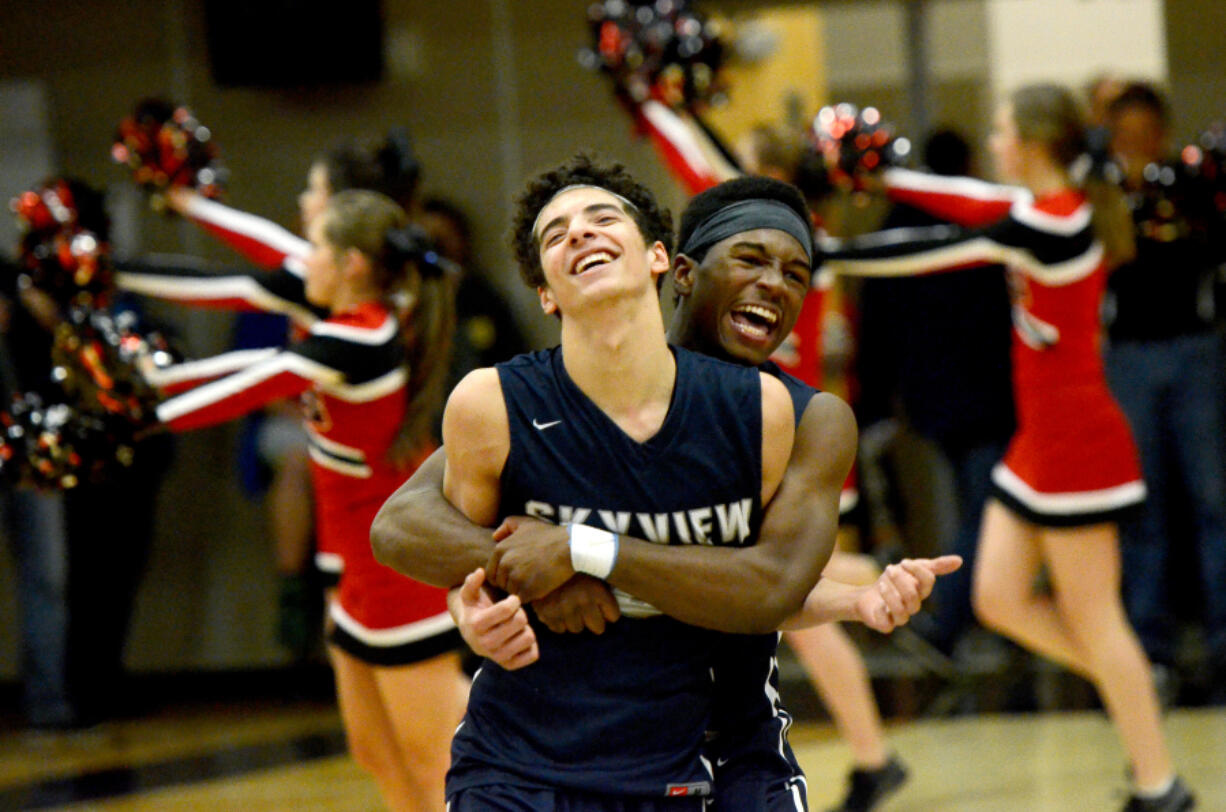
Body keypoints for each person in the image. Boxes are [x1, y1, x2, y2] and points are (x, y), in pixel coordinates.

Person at [372, 166, 957, 810]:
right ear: (679, 270)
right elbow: (408, 524)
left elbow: (766, 587)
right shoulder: (515, 399)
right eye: (750, 260)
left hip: (716, 746)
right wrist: (496, 587)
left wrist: (579, 550)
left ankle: (872, 756)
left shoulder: (795, 418)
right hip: (534, 751)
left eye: (796, 274)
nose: (773, 285)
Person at [821, 83, 1195, 812]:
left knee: (1096, 617)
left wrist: (834, 253)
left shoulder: (1057, 226)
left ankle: (1162, 784)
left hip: (1080, 448)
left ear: (1030, 141)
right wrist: (885, 173)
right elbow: (962, 201)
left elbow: (941, 247)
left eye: (1000, 132)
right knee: (996, 597)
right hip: (1040, 443)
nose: (994, 144)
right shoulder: (1038, 211)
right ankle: (1133, 681)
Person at [123, 190, 464, 812]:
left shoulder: (366, 336)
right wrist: (180, 206)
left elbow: (262, 380)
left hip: (401, 576)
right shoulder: (343, 312)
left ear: (353, 263)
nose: (305, 260)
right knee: (377, 754)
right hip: (358, 567)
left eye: (318, 248)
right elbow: (256, 310)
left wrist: (139, 418)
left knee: (442, 765)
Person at [631, 108, 910, 811]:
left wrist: (650, 104)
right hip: (762, 438)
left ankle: (874, 753)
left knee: (783, 602)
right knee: (787, 604)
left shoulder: (792, 243)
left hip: (786, 441)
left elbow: (700, 174)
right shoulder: (779, 242)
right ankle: (874, 744)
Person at [1102, 81, 1226, 703]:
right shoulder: (1105, 196)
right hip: (1128, 356)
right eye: (1125, 134)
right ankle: (1148, 648)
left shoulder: (1191, 186)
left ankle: (1221, 642)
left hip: (1194, 348)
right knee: (1141, 507)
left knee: (1212, 501)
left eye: (1145, 133)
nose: (1137, 146)